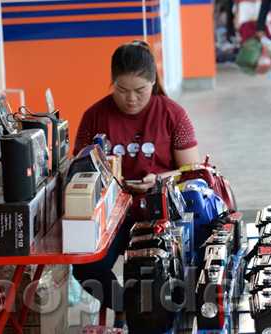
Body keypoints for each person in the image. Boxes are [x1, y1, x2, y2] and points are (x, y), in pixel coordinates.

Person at [71, 40, 200, 328]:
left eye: (140, 91)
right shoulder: (94, 116)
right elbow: (79, 170)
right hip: (112, 214)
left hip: (160, 213)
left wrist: (159, 180)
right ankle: (124, 306)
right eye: (121, 90)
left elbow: (191, 173)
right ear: (112, 83)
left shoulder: (173, 115)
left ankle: (150, 317)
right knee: (87, 265)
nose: (131, 99)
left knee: (155, 275)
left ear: (153, 82)